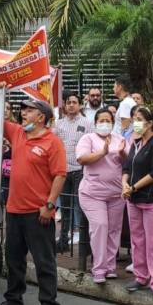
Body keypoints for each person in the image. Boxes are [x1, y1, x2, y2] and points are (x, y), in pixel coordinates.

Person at [0, 88, 66, 305]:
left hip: (38, 212)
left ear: (41, 117)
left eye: (29, 110)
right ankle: (14, 301)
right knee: (14, 259)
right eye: (23, 109)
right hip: (14, 210)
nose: (23, 113)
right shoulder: (17, 134)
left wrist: (49, 205)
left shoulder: (52, 142)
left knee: (44, 261)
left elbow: (59, 176)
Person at [122, 105, 153, 303]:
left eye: (139, 118)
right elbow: (127, 166)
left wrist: (133, 187)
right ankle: (141, 276)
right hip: (133, 199)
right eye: (134, 117)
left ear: (150, 123)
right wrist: (125, 183)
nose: (135, 122)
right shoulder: (135, 142)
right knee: (138, 240)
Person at [76, 108, 127, 283]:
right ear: (96, 122)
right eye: (101, 120)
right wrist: (101, 153)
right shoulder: (88, 138)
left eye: (108, 120)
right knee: (100, 226)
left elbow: (128, 162)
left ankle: (110, 267)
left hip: (116, 193)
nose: (105, 123)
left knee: (113, 230)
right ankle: (98, 269)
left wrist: (122, 154)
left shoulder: (120, 139)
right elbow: (82, 159)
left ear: (113, 123)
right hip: (92, 193)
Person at [54, 91, 91, 251]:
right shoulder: (59, 124)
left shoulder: (88, 123)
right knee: (65, 207)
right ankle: (63, 241)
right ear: (64, 104)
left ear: (80, 104)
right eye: (68, 102)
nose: (71, 105)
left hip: (80, 170)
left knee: (82, 206)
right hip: (63, 170)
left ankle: (84, 243)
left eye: (74, 102)